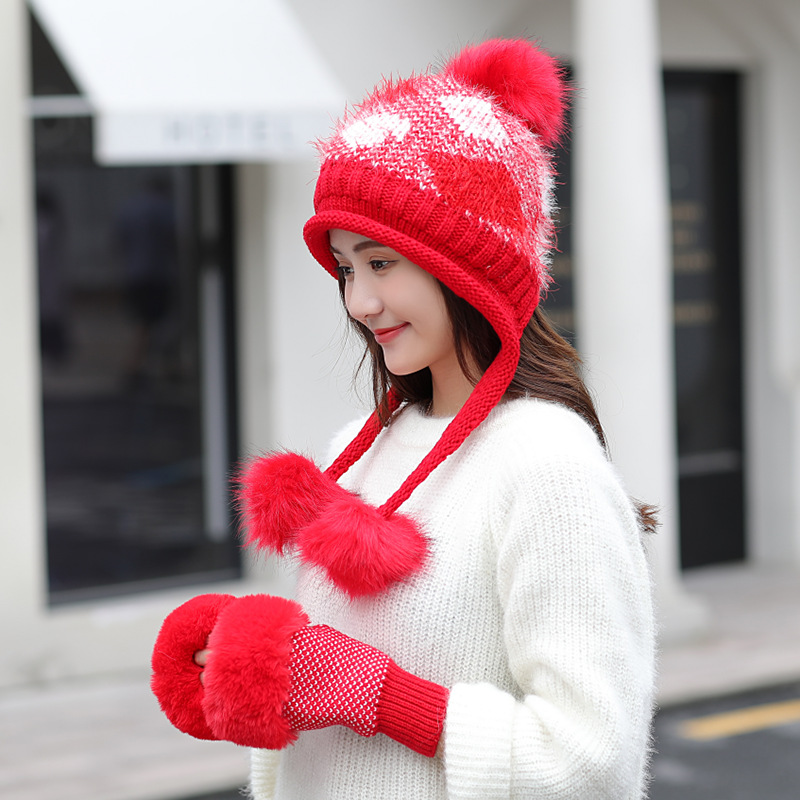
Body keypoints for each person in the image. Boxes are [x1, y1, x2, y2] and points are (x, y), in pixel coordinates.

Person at [151, 38, 657, 800]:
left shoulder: (547, 464)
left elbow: (593, 763)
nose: (359, 302)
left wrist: (380, 696)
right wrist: (265, 669)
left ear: (470, 265)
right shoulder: (360, 448)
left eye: (381, 263)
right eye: (346, 269)